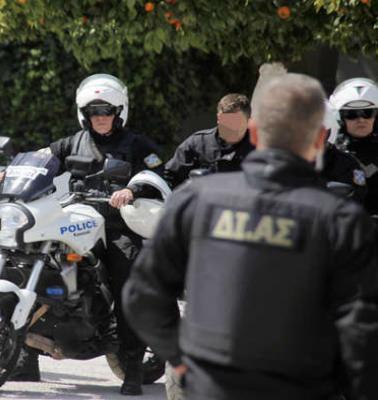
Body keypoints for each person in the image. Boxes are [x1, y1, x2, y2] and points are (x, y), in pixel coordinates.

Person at [123, 73, 378, 400]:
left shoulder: (195, 200)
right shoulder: (341, 220)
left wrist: (183, 361)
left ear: (254, 133)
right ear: (319, 139)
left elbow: (142, 296)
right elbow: (362, 332)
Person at [0, 73, 165, 395]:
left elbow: (159, 173)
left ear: (118, 112)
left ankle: (131, 368)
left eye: (106, 111)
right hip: (76, 215)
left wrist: (132, 189)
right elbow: (42, 159)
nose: (100, 117)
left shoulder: (137, 144)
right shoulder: (72, 142)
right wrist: (11, 172)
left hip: (117, 223)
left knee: (126, 279)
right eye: (93, 112)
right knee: (30, 260)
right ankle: (24, 360)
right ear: (84, 114)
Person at [163, 94, 254, 188]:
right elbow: (170, 176)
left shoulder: (259, 148)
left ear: (248, 121)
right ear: (218, 118)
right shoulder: (198, 143)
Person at [329, 77, 378, 214]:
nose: (361, 119)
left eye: (368, 113)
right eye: (351, 114)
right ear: (340, 117)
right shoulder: (330, 152)